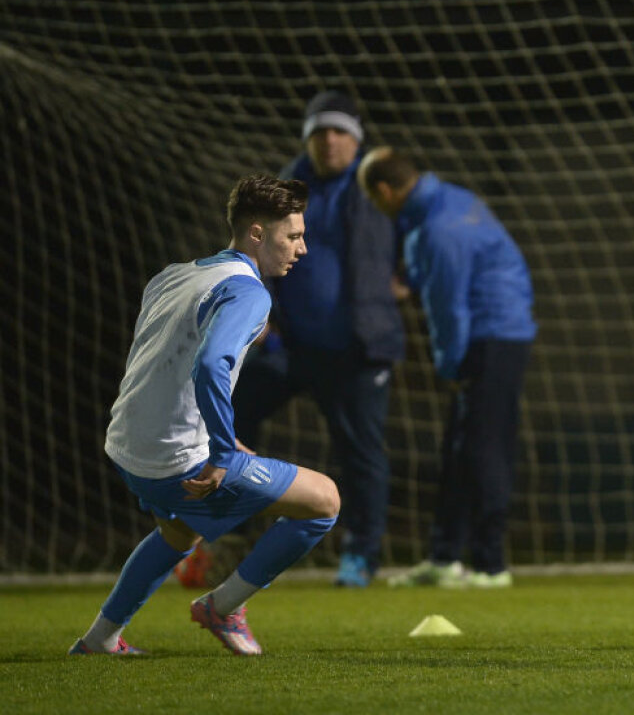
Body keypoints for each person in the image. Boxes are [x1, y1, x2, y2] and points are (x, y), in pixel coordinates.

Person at [70, 173, 339, 657]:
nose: (302, 248)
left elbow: (154, 357)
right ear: (257, 233)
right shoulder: (250, 293)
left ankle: (99, 639)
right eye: (293, 236)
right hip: (181, 458)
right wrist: (218, 448)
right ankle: (223, 607)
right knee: (324, 502)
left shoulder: (175, 274)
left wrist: (212, 431)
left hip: (128, 444)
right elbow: (211, 362)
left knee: (178, 531)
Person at [233, 91, 406, 588]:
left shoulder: (381, 187)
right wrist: (257, 309)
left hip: (357, 350)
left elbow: (422, 234)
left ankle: (360, 557)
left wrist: (418, 277)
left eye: (339, 131)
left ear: (357, 140)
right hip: (289, 346)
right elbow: (252, 251)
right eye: (319, 131)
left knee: (361, 453)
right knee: (229, 420)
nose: (329, 141)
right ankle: (227, 538)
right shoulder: (282, 191)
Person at [356, 147, 537, 590]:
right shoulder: (448, 202)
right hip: (500, 330)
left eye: (373, 200)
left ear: (384, 191)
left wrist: (450, 365)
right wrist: (412, 279)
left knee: (483, 449)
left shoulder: (438, 230)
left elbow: (450, 310)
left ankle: (492, 566)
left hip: (490, 338)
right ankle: (443, 558)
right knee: (459, 450)